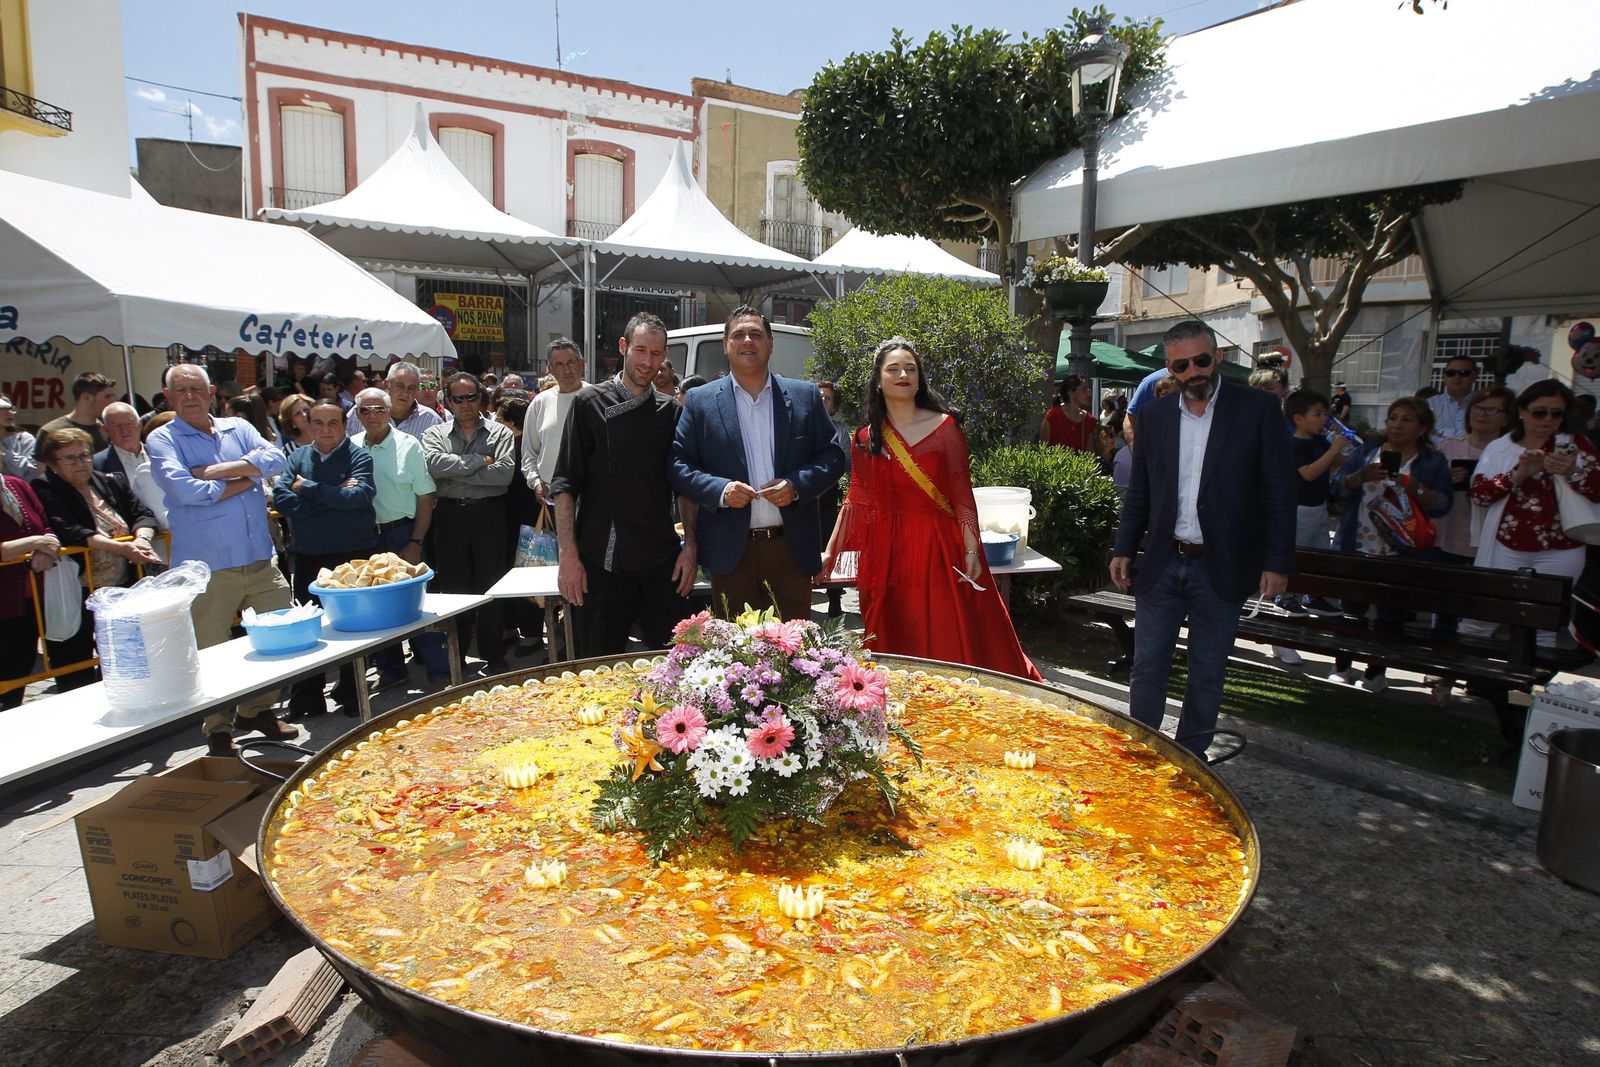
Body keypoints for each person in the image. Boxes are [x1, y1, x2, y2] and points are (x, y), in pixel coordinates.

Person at [1109, 320, 1296, 755]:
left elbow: (1279, 492)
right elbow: (1143, 489)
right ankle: (1141, 754)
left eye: (1201, 360)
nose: (1194, 371)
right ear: (1169, 369)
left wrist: (1277, 561)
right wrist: (1124, 546)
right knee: (1147, 665)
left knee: (1207, 671)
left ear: (1219, 358)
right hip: (1163, 560)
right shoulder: (1153, 415)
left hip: (1223, 564)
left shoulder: (1257, 409)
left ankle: (1191, 762)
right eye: (1181, 364)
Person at [820, 336, 1040, 680]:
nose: (903, 374)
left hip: (938, 546)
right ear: (878, 381)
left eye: (911, 368)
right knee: (894, 633)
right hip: (888, 551)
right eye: (893, 369)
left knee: (944, 629)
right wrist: (831, 552)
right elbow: (856, 499)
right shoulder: (866, 437)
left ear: (920, 378)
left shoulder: (945, 428)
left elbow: (962, 495)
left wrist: (971, 549)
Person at [147, 363, 299, 755]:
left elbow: (278, 460)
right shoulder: (163, 439)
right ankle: (217, 726)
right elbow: (186, 491)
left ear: (212, 391)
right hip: (208, 566)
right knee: (211, 648)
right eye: (180, 390)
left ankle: (258, 709)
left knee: (277, 638)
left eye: (196, 388)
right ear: (168, 397)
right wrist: (250, 476)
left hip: (260, 558)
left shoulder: (240, 427)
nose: (190, 396)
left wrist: (219, 472)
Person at [669, 307, 846, 622]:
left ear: (771, 343)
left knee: (796, 656)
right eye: (738, 335)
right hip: (731, 553)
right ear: (726, 344)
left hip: (790, 551)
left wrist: (796, 486)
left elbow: (833, 457)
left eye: (756, 334)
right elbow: (679, 465)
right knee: (737, 658)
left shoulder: (804, 395)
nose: (747, 341)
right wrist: (720, 490)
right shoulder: (701, 401)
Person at [551, 312, 698, 656]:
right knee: (599, 669)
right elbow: (564, 485)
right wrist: (568, 556)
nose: (648, 362)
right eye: (640, 350)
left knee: (675, 664)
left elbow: (685, 487)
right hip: (601, 560)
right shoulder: (588, 405)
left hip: (660, 558)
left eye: (656, 354)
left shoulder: (670, 412)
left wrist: (690, 548)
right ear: (623, 347)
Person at [1328, 397, 1453, 691]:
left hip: (1402, 549)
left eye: (1407, 419)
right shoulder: (1367, 451)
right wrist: (1361, 476)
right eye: (1392, 418)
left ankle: (1375, 671)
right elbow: (1337, 488)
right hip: (1358, 542)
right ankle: (1342, 664)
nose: (1397, 425)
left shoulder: (1432, 460)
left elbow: (1443, 504)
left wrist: (1415, 487)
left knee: (1389, 614)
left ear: (1422, 428)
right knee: (1351, 610)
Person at [1468, 380, 1600, 646]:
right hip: (1506, 545)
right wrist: (1517, 474)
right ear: (1522, 412)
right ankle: (1464, 678)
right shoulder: (1501, 448)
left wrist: (1572, 472)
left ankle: (1532, 684)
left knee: (1545, 625)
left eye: (1557, 413)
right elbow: (1480, 494)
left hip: (1563, 547)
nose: (1548, 420)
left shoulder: (1576, 445)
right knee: (1482, 618)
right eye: (1540, 412)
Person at [32, 427, 162, 690]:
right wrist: (122, 548)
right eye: (70, 458)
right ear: (53, 463)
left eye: (84, 455)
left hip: (121, 584)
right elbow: (70, 531)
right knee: (74, 663)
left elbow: (143, 514)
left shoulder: (109, 480)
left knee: (124, 658)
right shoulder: (45, 487)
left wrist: (141, 539)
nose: (81, 463)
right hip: (78, 587)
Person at [272, 401, 377, 718]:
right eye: (318, 423)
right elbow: (281, 498)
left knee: (352, 627)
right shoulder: (298, 456)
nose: (325, 430)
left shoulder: (359, 456)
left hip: (351, 554)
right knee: (309, 626)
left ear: (344, 426)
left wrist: (309, 489)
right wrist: (331, 495)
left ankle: (352, 692)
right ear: (308, 424)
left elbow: (359, 497)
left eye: (333, 423)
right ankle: (308, 697)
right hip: (309, 555)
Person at [350, 386, 447, 687]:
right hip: (366, 538)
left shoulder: (409, 445)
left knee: (419, 601)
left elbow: (426, 497)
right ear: (358, 414)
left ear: (389, 411)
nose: (373, 415)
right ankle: (390, 668)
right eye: (366, 410)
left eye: (380, 409)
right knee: (374, 607)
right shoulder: (350, 446)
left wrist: (416, 541)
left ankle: (438, 668)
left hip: (402, 533)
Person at [423, 371, 517, 675]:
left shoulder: (499, 433)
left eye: (471, 397)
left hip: (489, 515)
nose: (465, 403)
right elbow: (435, 466)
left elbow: (503, 475)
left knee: (491, 585)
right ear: (448, 401)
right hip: (450, 517)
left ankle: (493, 652)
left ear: (481, 398)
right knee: (455, 588)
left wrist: (457, 470)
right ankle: (457, 652)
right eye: (458, 398)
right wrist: (480, 461)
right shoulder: (434, 434)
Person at [1284, 389, 1352, 617]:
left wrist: (1340, 444)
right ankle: (1286, 595)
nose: (1324, 419)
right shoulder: (1294, 445)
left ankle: (1314, 595)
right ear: (1298, 418)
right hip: (1299, 509)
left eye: (1325, 414)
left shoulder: (1321, 441)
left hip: (1319, 506)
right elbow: (1309, 473)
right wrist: (1332, 450)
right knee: (1296, 553)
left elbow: (1340, 461)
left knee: (1320, 553)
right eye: (1318, 414)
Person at [0, 474, 57, 709]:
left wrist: (46, 547)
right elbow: (37, 537)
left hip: (28, 595)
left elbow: (46, 525)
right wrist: (35, 542)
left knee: (21, 665)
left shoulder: (16, 484)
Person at [519, 340, 588, 514]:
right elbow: (529, 453)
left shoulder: (597, 398)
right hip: (551, 499)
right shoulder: (540, 403)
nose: (567, 370)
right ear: (549, 369)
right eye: (559, 364)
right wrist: (536, 483)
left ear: (582, 363)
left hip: (591, 499)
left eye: (571, 362)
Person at [95, 401, 168, 537]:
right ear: (105, 430)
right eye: (116, 425)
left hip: (168, 537)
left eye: (129, 423)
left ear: (139, 424)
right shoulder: (97, 465)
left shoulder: (162, 455)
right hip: (131, 540)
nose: (124, 430)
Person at [350, 361, 445, 439]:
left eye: (411, 388)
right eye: (400, 386)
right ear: (387, 384)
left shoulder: (431, 419)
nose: (405, 393)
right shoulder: (362, 410)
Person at [39, 372, 116, 455]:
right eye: (107, 397)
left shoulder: (111, 428)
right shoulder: (51, 431)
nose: (113, 402)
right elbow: (42, 467)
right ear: (86, 397)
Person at [1039, 376, 1099, 453]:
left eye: (1088, 389)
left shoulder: (1088, 419)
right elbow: (1042, 449)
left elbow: (1090, 455)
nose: (1089, 393)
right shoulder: (1052, 416)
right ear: (1071, 393)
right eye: (1084, 389)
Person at [1428, 355, 1478, 440]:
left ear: (1475, 377)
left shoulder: (1484, 406)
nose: (1457, 377)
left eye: (1464, 373)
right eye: (1451, 373)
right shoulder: (1429, 404)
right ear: (1444, 376)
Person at [0, 393, 37, 483]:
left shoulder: (24, 439)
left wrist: (5, 453)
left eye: (11, 408)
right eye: (3, 409)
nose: (10, 413)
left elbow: (32, 472)